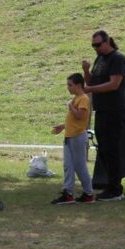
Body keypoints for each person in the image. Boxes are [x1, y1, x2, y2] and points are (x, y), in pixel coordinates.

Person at [82, 30, 125, 202]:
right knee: (103, 149)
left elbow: (114, 84)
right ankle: (110, 184)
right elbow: (91, 82)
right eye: (93, 45)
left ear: (107, 41)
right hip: (101, 110)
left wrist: (91, 90)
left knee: (111, 149)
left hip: (114, 110)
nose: (96, 48)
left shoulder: (118, 58)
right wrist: (86, 70)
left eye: (98, 44)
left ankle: (116, 189)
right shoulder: (99, 59)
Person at [50, 73, 95, 204]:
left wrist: (71, 107)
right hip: (69, 137)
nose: (68, 88)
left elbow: (81, 116)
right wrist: (63, 126)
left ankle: (88, 193)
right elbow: (74, 120)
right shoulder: (76, 99)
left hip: (77, 137)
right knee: (68, 166)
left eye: (70, 85)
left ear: (79, 85)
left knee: (80, 166)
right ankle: (68, 193)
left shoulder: (83, 99)